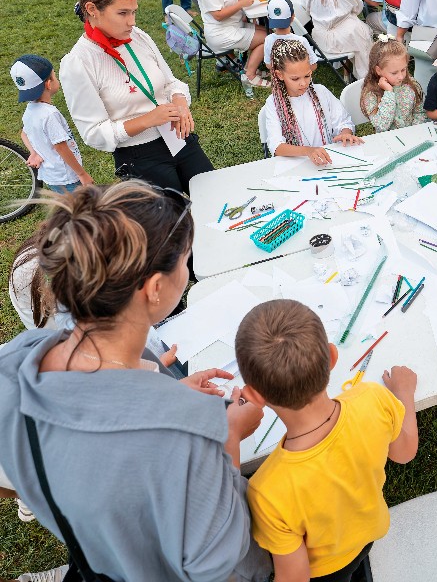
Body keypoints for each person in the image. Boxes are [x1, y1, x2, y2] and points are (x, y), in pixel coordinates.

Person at [0, 182, 272, 581]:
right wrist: (228, 435)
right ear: (155, 288)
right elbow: (222, 564)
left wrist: (161, 390)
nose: (187, 269)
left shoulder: (17, 361)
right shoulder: (185, 442)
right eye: (185, 261)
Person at [236, 300, 418, 581]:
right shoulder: (374, 398)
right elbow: (404, 453)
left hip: (326, 571)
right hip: (369, 534)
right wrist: (404, 394)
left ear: (255, 396)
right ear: (332, 357)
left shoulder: (267, 492)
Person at [61, 0, 213, 192]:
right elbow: (93, 133)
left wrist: (180, 103)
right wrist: (148, 120)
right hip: (139, 156)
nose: (132, 21)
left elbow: (171, 83)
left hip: (178, 136)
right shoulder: (78, 62)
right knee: (172, 223)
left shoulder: (137, 36)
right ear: (92, 9)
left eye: (134, 12)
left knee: (215, 198)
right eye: (123, 13)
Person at [262, 39, 361, 164]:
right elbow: (276, 147)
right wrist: (308, 151)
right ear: (280, 75)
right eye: (295, 78)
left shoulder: (321, 92)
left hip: (328, 161)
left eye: (307, 76)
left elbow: (343, 121)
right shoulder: (274, 103)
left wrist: (345, 133)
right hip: (297, 165)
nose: (303, 83)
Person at [195, 0, 270, 94]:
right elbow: (218, 15)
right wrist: (241, 3)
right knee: (268, 37)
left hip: (232, 25)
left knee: (268, 30)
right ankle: (249, 75)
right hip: (221, 33)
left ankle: (250, 67)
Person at [11, 56, 93, 194]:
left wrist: (34, 152)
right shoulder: (50, 115)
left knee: (68, 208)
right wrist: (81, 174)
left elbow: (24, 134)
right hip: (67, 177)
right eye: (54, 76)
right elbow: (60, 147)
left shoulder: (29, 111)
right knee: (83, 210)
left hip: (51, 177)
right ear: (49, 84)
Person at [361, 37, 426, 132]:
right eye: (394, 73)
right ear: (378, 70)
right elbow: (381, 126)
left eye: (403, 70)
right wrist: (389, 93)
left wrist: (414, 131)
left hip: (413, 137)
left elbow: (419, 112)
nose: (401, 76)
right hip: (388, 142)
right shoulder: (371, 94)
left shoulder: (412, 85)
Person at [263, 0, 318, 69]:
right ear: (293, 17)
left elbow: (268, 65)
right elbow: (313, 65)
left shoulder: (268, 39)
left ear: (269, 18)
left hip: (280, 78)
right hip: (300, 79)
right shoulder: (301, 41)